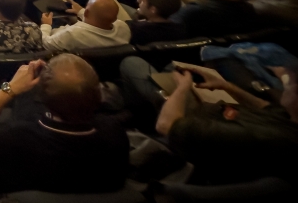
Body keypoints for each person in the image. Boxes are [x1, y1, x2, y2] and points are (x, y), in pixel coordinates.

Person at [0, 55, 128, 193]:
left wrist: (10, 87)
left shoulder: (16, 136)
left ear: (42, 98)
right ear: (99, 95)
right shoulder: (115, 134)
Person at [120, 58, 298, 183]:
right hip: (212, 113)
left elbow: (166, 125)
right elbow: (267, 107)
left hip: (188, 138)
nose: (284, 85)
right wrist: (226, 86)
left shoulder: (256, 138)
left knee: (131, 63)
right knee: (170, 67)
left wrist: (182, 89)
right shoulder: (291, 118)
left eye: (289, 83)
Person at [40, 0, 131, 51]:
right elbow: (100, 20)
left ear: (87, 12)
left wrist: (46, 25)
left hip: (54, 37)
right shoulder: (123, 28)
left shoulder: (73, 34)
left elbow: (46, 44)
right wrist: (81, 11)